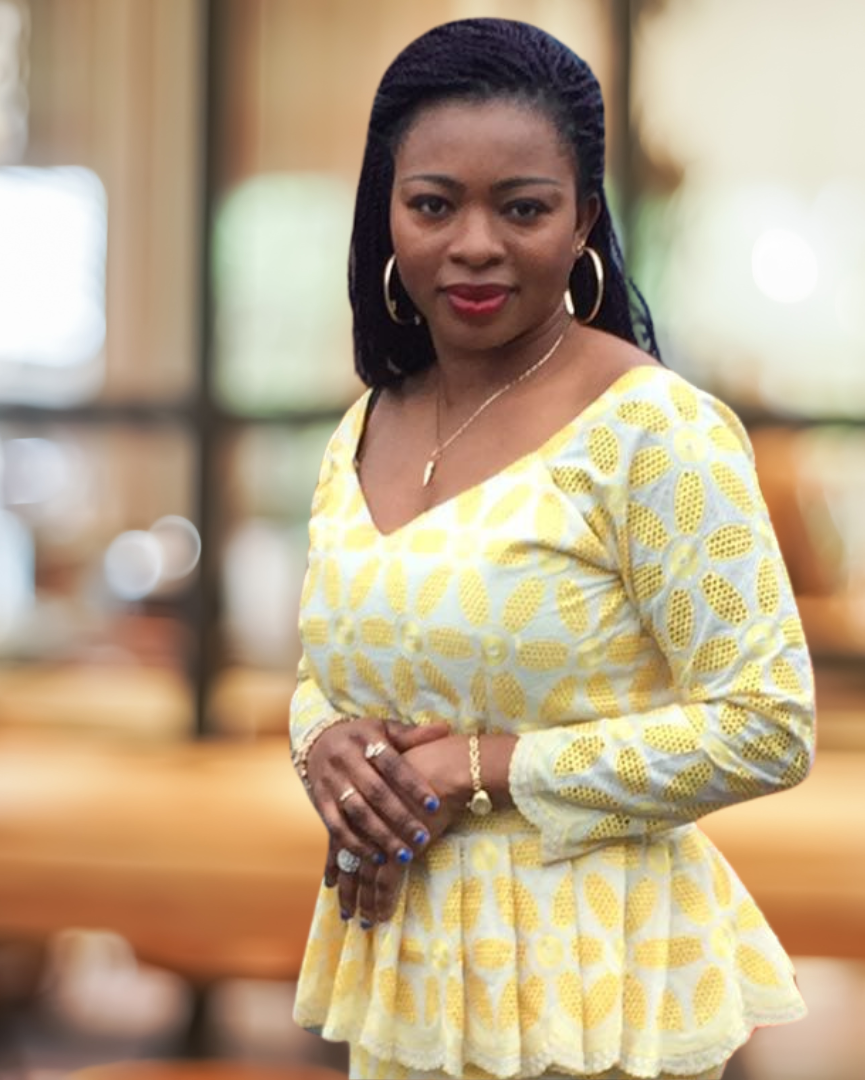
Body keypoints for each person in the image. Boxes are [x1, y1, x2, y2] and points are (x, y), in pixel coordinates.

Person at [288, 18, 815, 1080]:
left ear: (582, 222)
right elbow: (325, 674)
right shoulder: (369, 424)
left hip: (594, 982)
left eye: (521, 207)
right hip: (410, 971)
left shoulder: (652, 430)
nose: (473, 244)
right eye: (432, 204)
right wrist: (326, 746)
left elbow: (768, 723)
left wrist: (487, 767)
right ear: (385, 215)